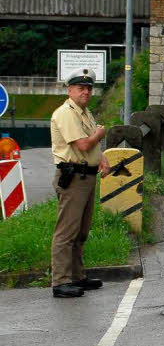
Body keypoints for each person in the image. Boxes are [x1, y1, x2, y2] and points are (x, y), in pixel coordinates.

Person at [49, 68, 110, 298]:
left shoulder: (84, 112)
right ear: (70, 90)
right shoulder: (66, 113)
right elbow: (84, 145)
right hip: (73, 176)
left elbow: (90, 146)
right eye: (80, 88)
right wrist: (100, 134)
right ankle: (61, 281)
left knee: (81, 230)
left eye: (88, 88)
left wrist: (101, 158)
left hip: (86, 175)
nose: (85, 92)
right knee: (66, 231)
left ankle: (77, 276)